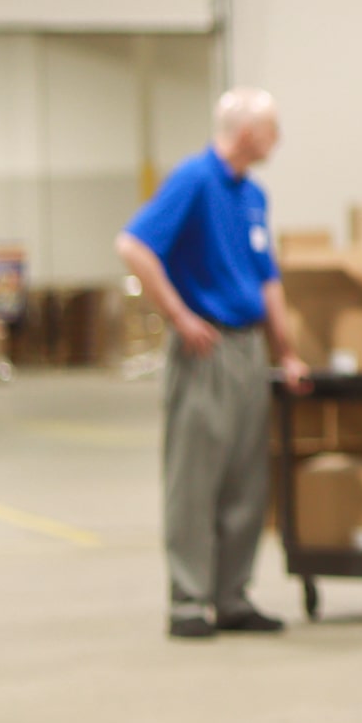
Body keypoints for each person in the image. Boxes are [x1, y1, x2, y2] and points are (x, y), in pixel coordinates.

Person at [116, 88, 311, 637]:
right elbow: (133, 245)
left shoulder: (253, 197)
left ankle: (231, 595)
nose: (277, 139)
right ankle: (188, 598)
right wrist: (178, 315)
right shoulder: (193, 180)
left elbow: (267, 280)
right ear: (245, 131)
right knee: (194, 475)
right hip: (206, 348)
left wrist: (286, 351)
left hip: (248, 347)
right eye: (272, 127)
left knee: (246, 478)